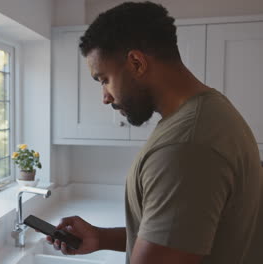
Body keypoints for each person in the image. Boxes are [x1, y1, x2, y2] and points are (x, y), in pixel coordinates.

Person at [47, 2, 262, 264]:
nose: (105, 97)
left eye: (104, 79)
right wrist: (101, 238)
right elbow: (182, 236)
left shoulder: (186, 145)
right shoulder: (208, 113)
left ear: (137, 63)